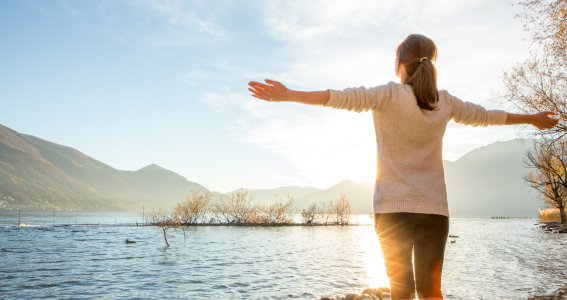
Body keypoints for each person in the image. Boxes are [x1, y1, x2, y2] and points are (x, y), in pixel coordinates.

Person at [247, 34, 558, 300]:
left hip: (392, 210)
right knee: (432, 293)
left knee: (401, 292)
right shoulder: (445, 102)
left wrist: (288, 95)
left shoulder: (388, 95)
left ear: (398, 63)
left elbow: (338, 98)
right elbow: (488, 116)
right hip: (434, 211)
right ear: (433, 63)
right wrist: (531, 118)